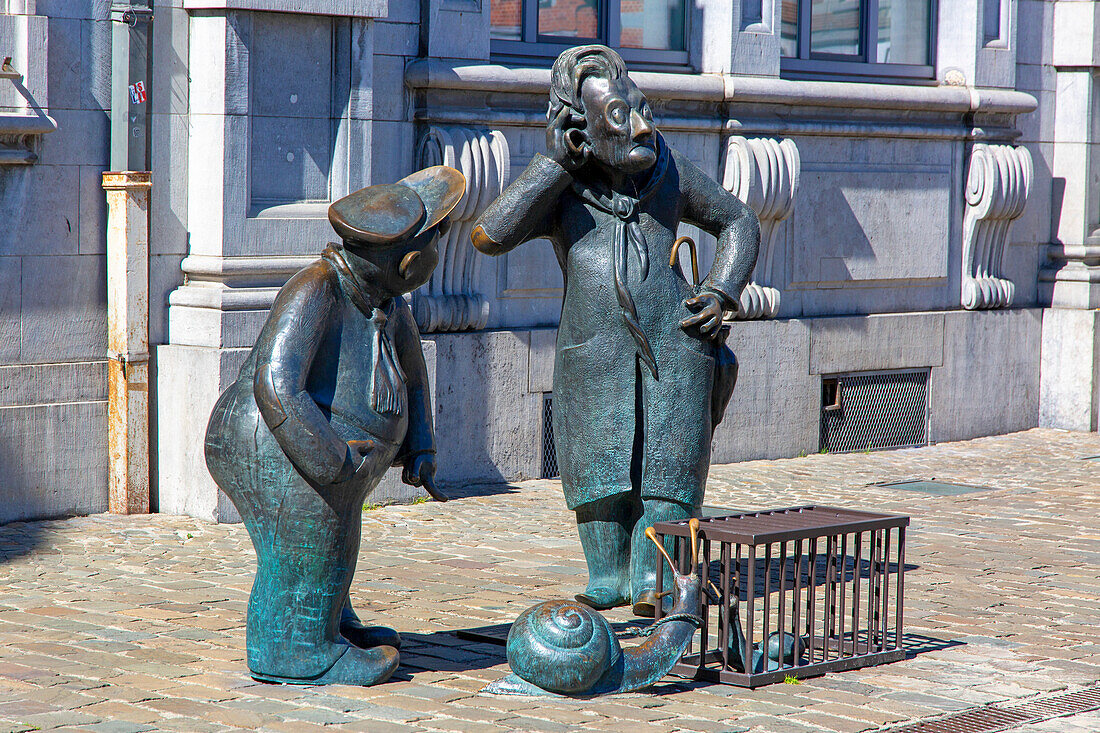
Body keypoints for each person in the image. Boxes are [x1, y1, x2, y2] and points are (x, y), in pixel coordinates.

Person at [472, 45, 759, 616]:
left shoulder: (668, 173)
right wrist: (553, 166)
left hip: (676, 342)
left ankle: (657, 573)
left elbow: (738, 222)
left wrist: (721, 291)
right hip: (594, 350)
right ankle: (607, 574)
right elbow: (490, 234)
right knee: (597, 463)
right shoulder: (562, 189)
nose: (644, 127)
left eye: (644, 109)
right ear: (579, 129)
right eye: (621, 117)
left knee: (671, 461)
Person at [204, 166, 463, 685]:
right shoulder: (317, 288)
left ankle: (327, 622)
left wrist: (421, 446)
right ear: (407, 261)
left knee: (336, 535)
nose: (439, 249)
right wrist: (335, 460)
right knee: (312, 533)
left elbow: (412, 378)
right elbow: (277, 384)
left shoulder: (387, 303)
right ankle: (295, 649)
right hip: (273, 438)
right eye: (435, 240)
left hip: (322, 442)